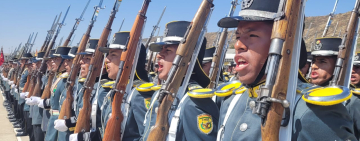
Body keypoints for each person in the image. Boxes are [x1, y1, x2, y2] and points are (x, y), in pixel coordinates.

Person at [215, 0, 356, 140]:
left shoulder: (313, 113)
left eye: (252, 35)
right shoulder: (231, 101)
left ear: (283, 44)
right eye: (238, 36)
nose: (238, 44)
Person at [142, 21, 219, 141]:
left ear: (187, 60)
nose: (158, 55)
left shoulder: (193, 104)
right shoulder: (158, 94)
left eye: (167, 51)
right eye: (161, 50)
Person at [97, 31, 150, 141]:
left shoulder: (139, 95)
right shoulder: (116, 90)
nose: (106, 59)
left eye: (113, 55)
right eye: (108, 55)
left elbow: (147, 137)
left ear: (131, 60)